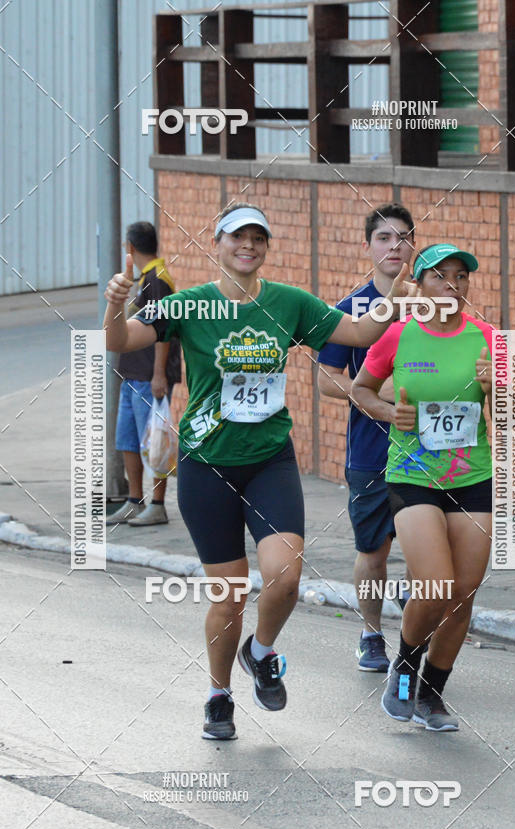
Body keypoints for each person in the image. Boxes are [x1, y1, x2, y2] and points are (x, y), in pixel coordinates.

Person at [103, 203, 411, 741]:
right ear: (217, 243)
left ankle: (261, 651)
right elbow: (119, 341)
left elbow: (359, 333)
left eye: (258, 238)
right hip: (207, 466)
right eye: (237, 237)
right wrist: (112, 308)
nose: (248, 245)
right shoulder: (189, 304)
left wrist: (395, 296)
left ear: (266, 248)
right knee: (229, 596)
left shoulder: (288, 303)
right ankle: (219, 695)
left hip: (270, 459)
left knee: (286, 576)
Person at [351, 243, 494, 731]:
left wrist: (499, 387)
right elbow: (360, 390)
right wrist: (393, 413)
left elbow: (514, 415)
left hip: (473, 477)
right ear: (422, 284)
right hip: (412, 476)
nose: (452, 286)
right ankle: (406, 665)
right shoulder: (397, 336)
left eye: (461, 277)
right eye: (440, 276)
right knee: (435, 583)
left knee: (463, 594)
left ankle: (432, 693)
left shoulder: (488, 339)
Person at [317, 204, 416, 673]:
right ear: (368, 247)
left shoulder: (433, 304)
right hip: (372, 452)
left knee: (426, 552)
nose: (393, 246)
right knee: (373, 553)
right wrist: (371, 396)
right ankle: (372, 634)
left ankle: (415, 636)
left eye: (402, 238)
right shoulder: (350, 310)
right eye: (384, 238)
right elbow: (325, 378)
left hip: (429, 453)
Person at [106, 222, 181, 527]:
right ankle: (134, 502)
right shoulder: (143, 279)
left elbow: (163, 332)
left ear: (130, 248)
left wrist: (159, 374)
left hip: (150, 377)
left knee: (155, 442)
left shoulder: (157, 280)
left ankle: (158, 504)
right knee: (127, 441)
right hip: (132, 375)